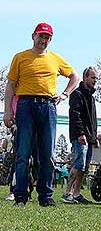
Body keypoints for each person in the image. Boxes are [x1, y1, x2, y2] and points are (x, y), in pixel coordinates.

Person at [3, 22, 79, 207]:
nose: (43, 40)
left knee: (47, 154)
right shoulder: (20, 57)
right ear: (33, 36)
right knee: (22, 153)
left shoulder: (55, 58)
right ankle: (20, 194)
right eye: (41, 36)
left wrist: (64, 94)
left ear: (50, 40)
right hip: (25, 105)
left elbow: (75, 76)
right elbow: (11, 85)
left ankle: (45, 195)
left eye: (47, 37)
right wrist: (7, 111)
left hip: (48, 106)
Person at [62, 67, 100, 204]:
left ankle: (77, 193)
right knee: (78, 163)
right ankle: (67, 193)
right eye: (93, 78)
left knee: (85, 166)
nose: (95, 81)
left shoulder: (91, 97)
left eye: (96, 78)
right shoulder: (77, 94)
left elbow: (93, 120)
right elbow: (75, 115)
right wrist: (80, 133)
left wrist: (94, 137)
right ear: (85, 77)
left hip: (89, 137)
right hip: (80, 136)